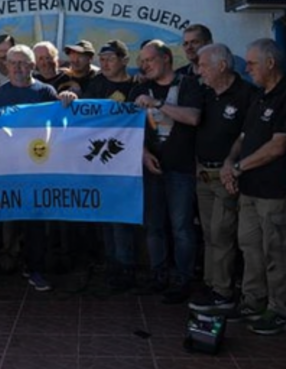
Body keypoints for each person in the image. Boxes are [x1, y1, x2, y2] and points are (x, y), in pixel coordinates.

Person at [221, 39, 286, 335]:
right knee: (251, 250)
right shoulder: (260, 97)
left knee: (278, 252)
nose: (247, 69)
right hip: (250, 190)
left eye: (252, 63)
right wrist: (229, 161)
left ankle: (281, 311)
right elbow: (244, 137)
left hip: (275, 191)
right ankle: (253, 302)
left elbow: (278, 146)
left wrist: (238, 167)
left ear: (271, 63)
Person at [0, 44, 61, 292]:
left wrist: (69, 99)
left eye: (24, 63)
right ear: (6, 66)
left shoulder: (47, 91)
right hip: (3, 170)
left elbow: (62, 126)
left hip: (36, 169)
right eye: (13, 63)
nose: (18, 68)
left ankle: (35, 269)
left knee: (35, 224)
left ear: (32, 66)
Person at [129, 39, 202, 303]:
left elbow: (193, 117)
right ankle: (158, 274)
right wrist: (144, 154)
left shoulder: (188, 85)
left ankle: (183, 278)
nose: (145, 65)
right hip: (150, 168)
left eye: (149, 60)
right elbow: (129, 129)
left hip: (181, 168)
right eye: (142, 62)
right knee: (153, 226)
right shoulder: (139, 88)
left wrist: (157, 104)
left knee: (182, 226)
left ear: (167, 58)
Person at [189, 43, 257, 313]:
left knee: (222, 232)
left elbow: (248, 135)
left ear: (222, 66)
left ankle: (223, 291)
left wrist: (232, 163)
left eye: (204, 66)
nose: (200, 71)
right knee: (209, 233)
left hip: (227, 175)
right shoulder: (205, 94)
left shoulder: (247, 95)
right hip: (203, 173)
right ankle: (211, 283)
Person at [84, 41, 137, 289]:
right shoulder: (95, 85)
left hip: (128, 164)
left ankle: (125, 267)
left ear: (125, 60)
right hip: (100, 162)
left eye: (110, 58)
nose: (104, 63)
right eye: (101, 58)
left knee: (121, 217)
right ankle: (111, 263)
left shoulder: (137, 87)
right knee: (104, 216)